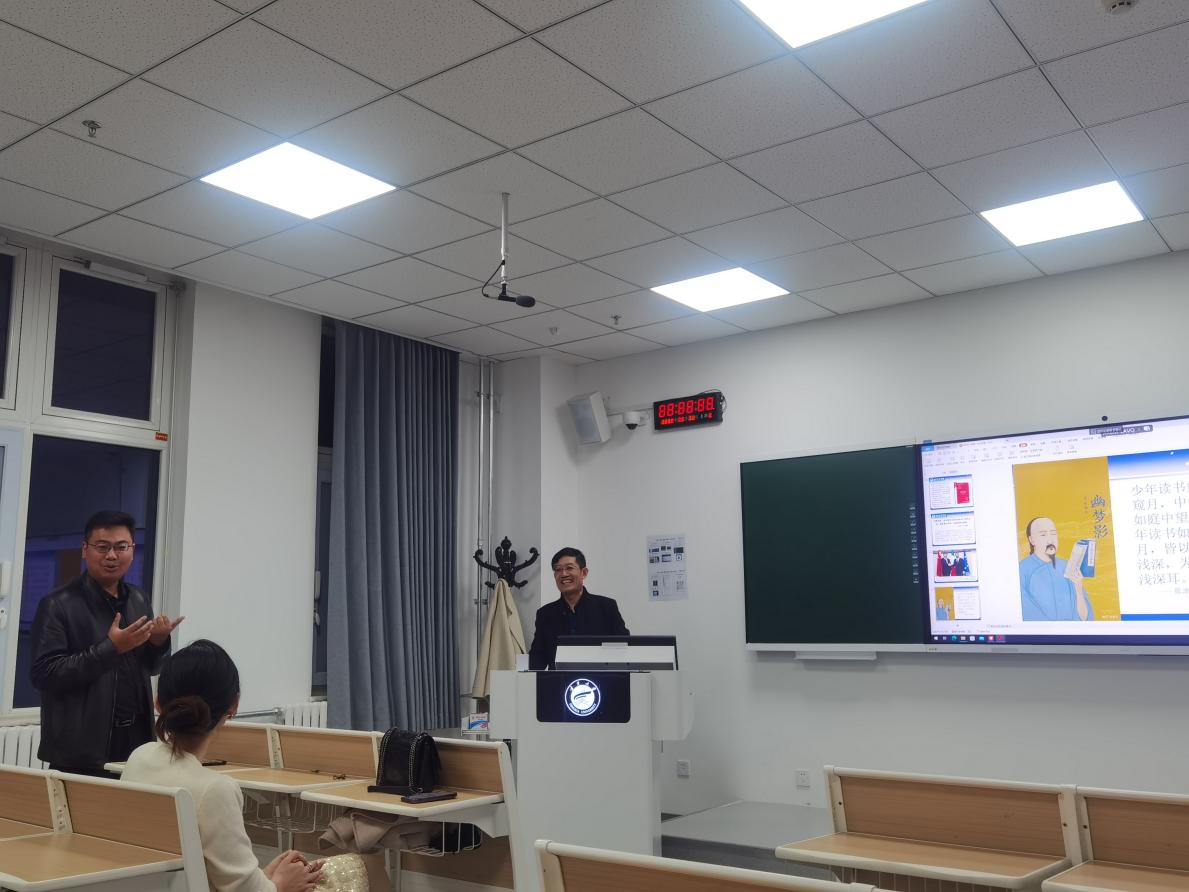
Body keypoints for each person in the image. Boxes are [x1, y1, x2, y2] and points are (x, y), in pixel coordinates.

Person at [123, 639, 323, 892]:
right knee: (347, 872)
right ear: (234, 705)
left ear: (158, 702)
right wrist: (281, 884)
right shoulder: (215, 790)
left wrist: (265, 878)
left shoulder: (139, 757)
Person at [30, 510, 184, 775]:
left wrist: (158, 642)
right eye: (102, 547)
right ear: (85, 550)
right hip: (81, 751)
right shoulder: (57, 604)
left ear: (132, 550)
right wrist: (111, 648)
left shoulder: (138, 599)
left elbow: (149, 667)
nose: (112, 555)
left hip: (135, 742)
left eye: (121, 547)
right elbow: (45, 674)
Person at [528, 547, 629, 670]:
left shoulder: (606, 607)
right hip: (558, 680)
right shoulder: (545, 614)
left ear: (584, 573)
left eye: (569, 568)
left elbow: (624, 648)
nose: (564, 574)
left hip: (600, 678)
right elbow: (537, 658)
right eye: (558, 569)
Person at [1019, 517, 1094, 621]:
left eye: (1053, 533)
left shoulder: (1068, 566)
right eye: (1043, 535)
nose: (1050, 540)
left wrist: (1079, 589)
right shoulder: (1022, 570)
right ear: (1031, 540)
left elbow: (1085, 618)